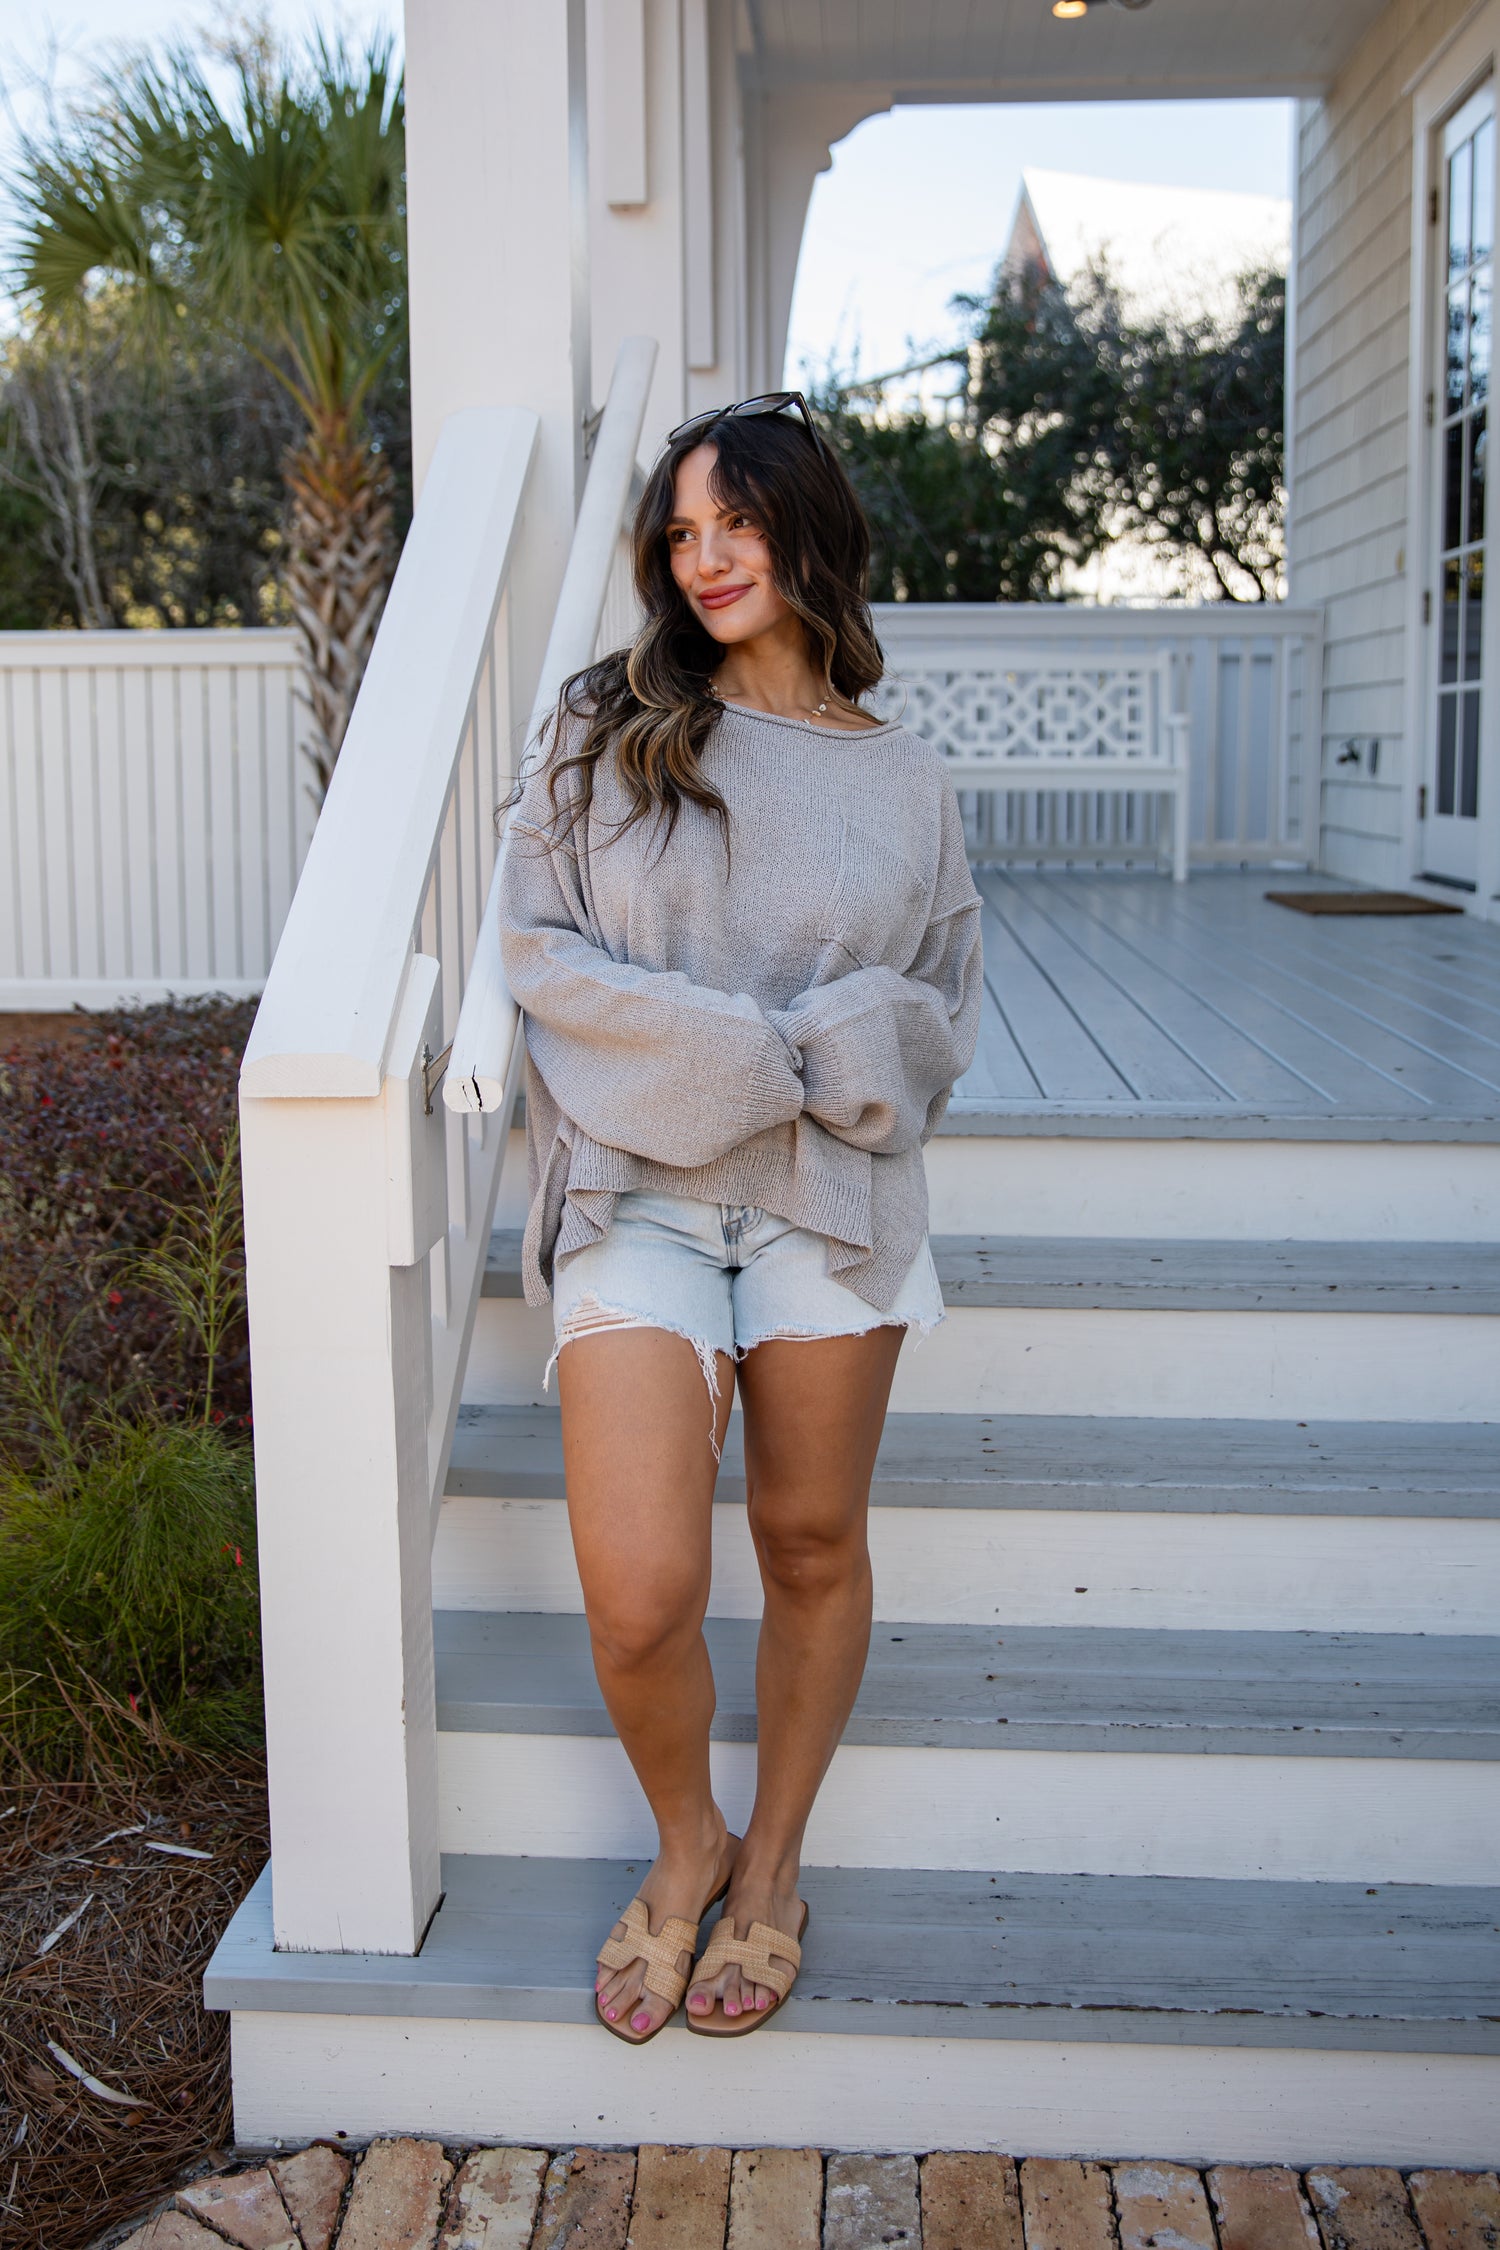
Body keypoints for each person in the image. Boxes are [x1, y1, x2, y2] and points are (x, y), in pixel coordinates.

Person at [498, 391, 982, 2045]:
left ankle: (767, 1864)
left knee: (806, 1542)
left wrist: (825, 1064)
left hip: (829, 1206)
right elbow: (544, 957)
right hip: (636, 1185)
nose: (704, 560)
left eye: (736, 523)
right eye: (679, 533)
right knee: (638, 1589)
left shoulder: (908, 780)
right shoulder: (606, 725)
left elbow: (937, 1015)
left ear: (806, 528)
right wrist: (757, 1051)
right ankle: (683, 1831)